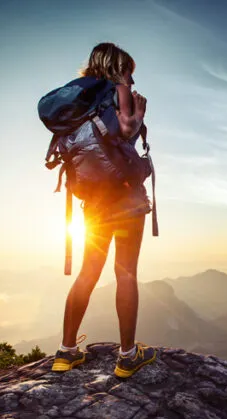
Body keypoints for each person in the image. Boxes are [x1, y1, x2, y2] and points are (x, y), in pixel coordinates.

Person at [50, 43, 158, 378]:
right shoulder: (118, 89)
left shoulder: (75, 102)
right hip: (125, 199)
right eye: (130, 71)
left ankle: (66, 353)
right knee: (125, 272)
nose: (132, 79)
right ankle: (127, 357)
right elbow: (126, 131)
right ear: (119, 67)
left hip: (93, 201)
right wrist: (138, 116)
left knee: (89, 272)